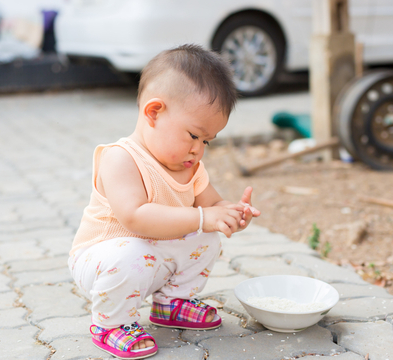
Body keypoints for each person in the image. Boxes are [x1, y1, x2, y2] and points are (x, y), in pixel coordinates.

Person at [67, 44, 260, 359]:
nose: (199, 149)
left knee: (206, 235)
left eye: (207, 141)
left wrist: (231, 214)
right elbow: (135, 217)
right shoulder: (120, 158)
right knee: (134, 250)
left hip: (148, 256)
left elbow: (212, 208)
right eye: (194, 135)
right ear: (154, 112)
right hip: (103, 260)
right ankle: (110, 323)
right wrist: (202, 217)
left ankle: (173, 302)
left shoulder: (192, 169)